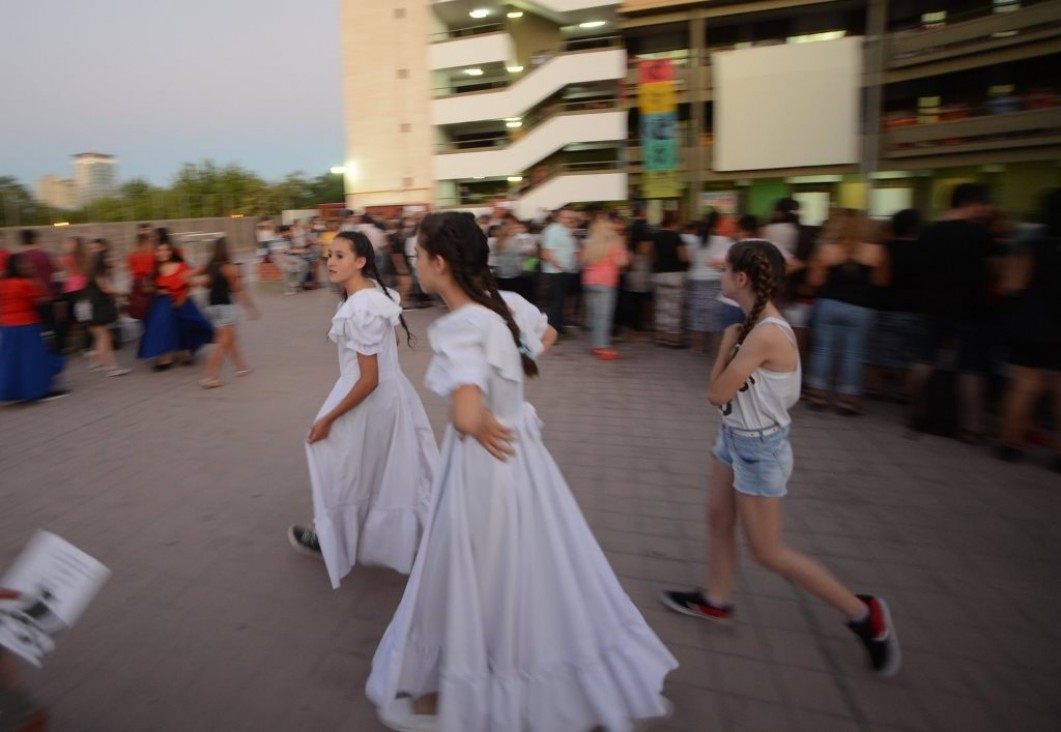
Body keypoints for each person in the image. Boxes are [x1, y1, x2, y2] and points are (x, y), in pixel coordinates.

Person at [366, 211, 676, 732]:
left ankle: (467, 689)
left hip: (484, 466)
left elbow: (465, 415)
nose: (414, 265)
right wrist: (503, 393)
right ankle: (515, 678)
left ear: (438, 263)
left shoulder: (462, 324)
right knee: (525, 567)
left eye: (418, 256)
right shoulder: (502, 306)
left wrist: (479, 415)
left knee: (479, 571)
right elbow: (544, 334)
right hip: (523, 458)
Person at [660, 239, 900, 678]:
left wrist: (724, 345)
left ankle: (864, 614)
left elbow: (715, 394)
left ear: (742, 279)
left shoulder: (762, 334)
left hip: (758, 450)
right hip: (735, 437)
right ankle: (716, 600)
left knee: (768, 552)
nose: (720, 276)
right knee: (717, 517)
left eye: (725, 270)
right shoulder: (753, 327)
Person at [288, 231, 437, 586]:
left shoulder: (359, 306)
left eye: (340, 256)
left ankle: (332, 538)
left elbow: (368, 378)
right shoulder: (375, 293)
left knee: (339, 463)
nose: (331, 262)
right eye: (329, 255)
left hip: (368, 397)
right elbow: (389, 346)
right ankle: (423, 537)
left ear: (361, 261)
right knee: (393, 469)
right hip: (392, 393)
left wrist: (329, 417)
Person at [908, 183, 1001, 442]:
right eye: (983, 204)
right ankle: (971, 427)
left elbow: (919, 269)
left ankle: (917, 411)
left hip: (933, 304)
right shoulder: (981, 234)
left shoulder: (929, 232)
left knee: (924, 360)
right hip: (971, 307)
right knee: (971, 367)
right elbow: (996, 272)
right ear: (972, 203)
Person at [996, 188, 1061, 471]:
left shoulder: (1033, 247)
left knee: (1025, 385)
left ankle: (1011, 442)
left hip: (1032, 323)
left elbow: (1012, 285)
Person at [804, 210, 888, 415]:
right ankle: (847, 400)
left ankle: (818, 395)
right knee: (854, 354)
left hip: (829, 305)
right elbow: (881, 282)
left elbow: (815, 281)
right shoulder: (877, 252)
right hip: (862, 308)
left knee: (823, 350)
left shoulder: (826, 250)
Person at [865, 209, 925, 403]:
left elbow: (878, 280)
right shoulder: (925, 250)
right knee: (909, 352)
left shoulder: (886, 249)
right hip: (915, 308)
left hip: (886, 306)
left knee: (878, 350)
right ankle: (906, 391)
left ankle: (875, 387)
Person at [136, 241, 214, 370]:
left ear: (170, 252)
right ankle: (164, 356)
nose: (162, 253)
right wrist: (158, 290)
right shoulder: (154, 270)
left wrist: (181, 300)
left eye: (165, 250)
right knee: (161, 325)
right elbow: (147, 288)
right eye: (159, 251)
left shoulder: (181, 266)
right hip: (163, 302)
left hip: (182, 300)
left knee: (185, 323)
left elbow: (188, 285)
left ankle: (185, 352)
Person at [0, 254, 66, 402]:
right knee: (33, 359)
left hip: (7, 325)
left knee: (12, 359)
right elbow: (41, 297)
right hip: (26, 324)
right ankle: (37, 390)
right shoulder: (24, 283)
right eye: (23, 264)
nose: (27, 266)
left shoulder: (3, 283)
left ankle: (12, 391)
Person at [195, 238, 259, 388]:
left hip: (212, 307)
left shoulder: (209, 266)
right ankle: (209, 376)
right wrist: (250, 308)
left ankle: (241, 367)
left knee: (230, 338)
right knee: (223, 342)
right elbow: (239, 290)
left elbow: (189, 276)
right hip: (225, 307)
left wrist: (200, 283)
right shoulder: (229, 268)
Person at [581, 207, 630, 360]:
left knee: (594, 315)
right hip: (606, 282)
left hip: (589, 281)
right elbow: (622, 262)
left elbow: (581, 260)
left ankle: (595, 345)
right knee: (603, 316)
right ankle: (603, 346)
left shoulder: (589, 243)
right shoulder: (615, 243)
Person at [686, 211, 736, 355]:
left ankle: (696, 348)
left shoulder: (695, 240)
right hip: (715, 280)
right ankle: (714, 349)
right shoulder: (724, 241)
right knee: (715, 315)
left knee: (697, 314)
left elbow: (690, 259)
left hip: (696, 279)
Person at [84, 250, 130, 377]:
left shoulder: (97, 272)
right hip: (99, 309)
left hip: (97, 308)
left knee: (100, 337)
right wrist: (123, 292)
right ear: (101, 260)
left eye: (110, 258)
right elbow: (106, 289)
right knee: (105, 338)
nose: (109, 260)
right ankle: (110, 367)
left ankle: (96, 363)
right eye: (107, 258)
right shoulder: (100, 273)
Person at [651, 210, 690, 347]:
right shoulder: (676, 237)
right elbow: (684, 257)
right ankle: (673, 340)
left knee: (661, 308)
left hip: (659, 274)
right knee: (674, 310)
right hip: (675, 275)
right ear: (674, 222)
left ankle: (660, 338)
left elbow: (652, 256)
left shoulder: (655, 237)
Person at [540, 207, 580, 334]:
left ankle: (559, 327)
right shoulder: (552, 231)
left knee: (561, 302)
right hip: (556, 272)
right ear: (559, 217)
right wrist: (562, 267)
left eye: (572, 218)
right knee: (555, 303)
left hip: (566, 271)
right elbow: (546, 254)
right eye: (567, 217)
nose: (571, 220)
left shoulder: (568, 231)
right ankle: (551, 331)